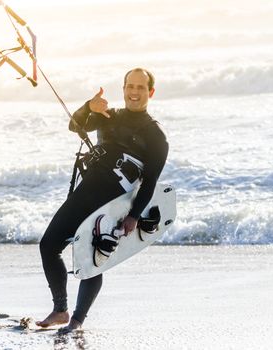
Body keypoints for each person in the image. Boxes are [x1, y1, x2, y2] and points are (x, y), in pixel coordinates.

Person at [36, 68, 169, 332]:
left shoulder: (156, 137)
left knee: (91, 259)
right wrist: (88, 106)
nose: (134, 92)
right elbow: (75, 125)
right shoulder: (109, 116)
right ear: (123, 89)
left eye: (141, 88)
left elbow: (151, 181)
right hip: (86, 192)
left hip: (112, 203)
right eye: (130, 86)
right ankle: (60, 309)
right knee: (48, 245)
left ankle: (77, 320)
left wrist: (133, 215)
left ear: (150, 92)